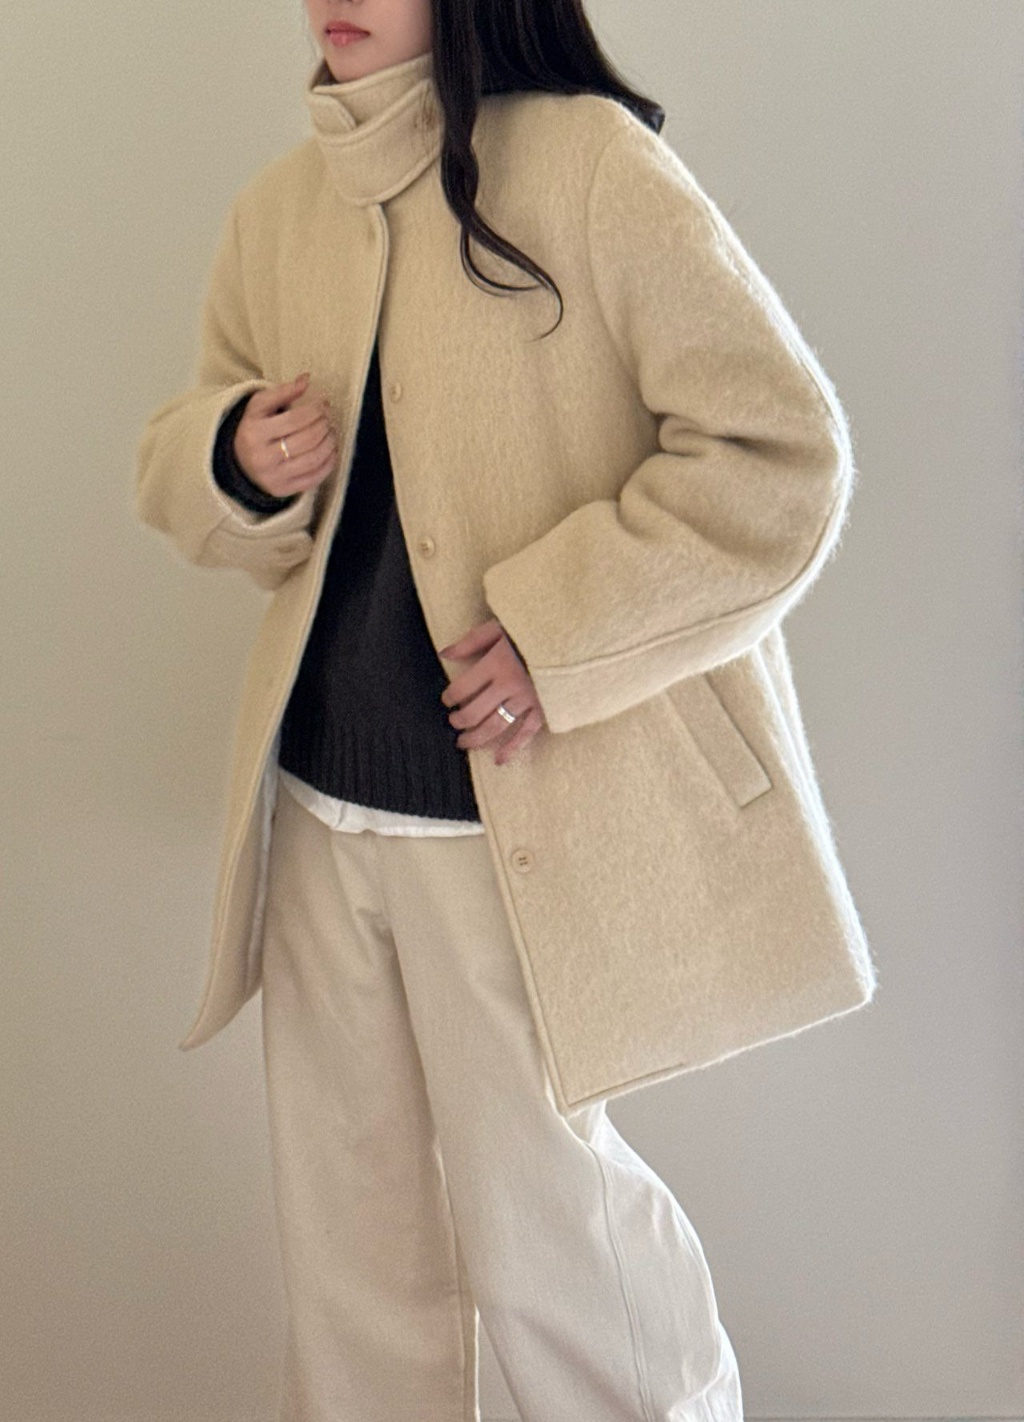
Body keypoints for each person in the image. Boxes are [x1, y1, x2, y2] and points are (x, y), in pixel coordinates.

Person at [136, 1, 877, 1418]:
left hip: (497, 819)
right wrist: (233, 455)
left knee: (551, 1233)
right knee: (347, 1252)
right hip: (316, 813)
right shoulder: (280, 207)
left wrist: (560, 631)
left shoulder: (587, 164)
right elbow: (181, 459)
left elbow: (779, 454)